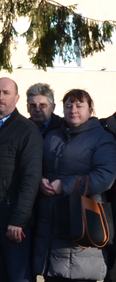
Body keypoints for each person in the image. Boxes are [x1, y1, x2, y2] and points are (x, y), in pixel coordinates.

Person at [34, 89, 116, 282]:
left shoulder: (102, 138)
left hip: (83, 224)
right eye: (68, 106)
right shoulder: (52, 137)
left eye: (79, 106)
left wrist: (65, 185)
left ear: (90, 109)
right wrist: (40, 180)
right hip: (50, 225)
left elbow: (105, 176)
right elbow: (36, 167)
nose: (73, 110)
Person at [0, 78, 42, 282]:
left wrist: (18, 220)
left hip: (13, 225)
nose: (0, 97)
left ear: (17, 97)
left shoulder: (26, 130)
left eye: (6, 92)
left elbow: (30, 178)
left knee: (18, 277)